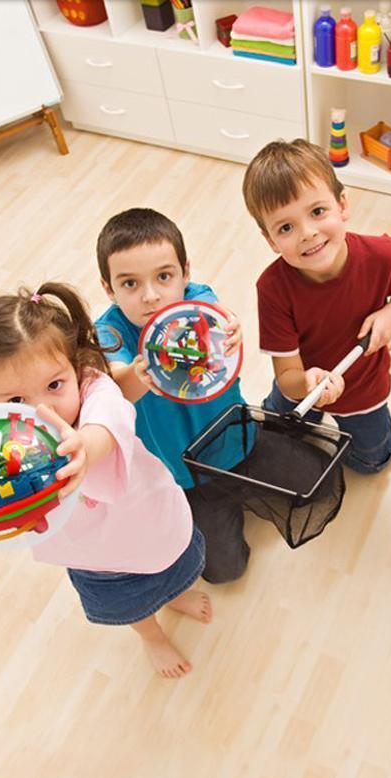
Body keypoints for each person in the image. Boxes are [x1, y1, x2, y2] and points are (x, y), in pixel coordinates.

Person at [0, 283, 211, 678]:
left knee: (174, 569)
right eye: (15, 401)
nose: (41, 409)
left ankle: (175, 596)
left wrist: (84, 448)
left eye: (54, 385)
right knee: (131, 603)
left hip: (151, 522)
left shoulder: (94, 387)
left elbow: (108, 420)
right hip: (96, 559)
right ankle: (151, 635)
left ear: (75, 367)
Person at [242, 139, 391, 473]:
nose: (307, 233)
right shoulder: (272, 288)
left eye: (317, 212)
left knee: (371, 464)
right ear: (270, 241)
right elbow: (288, 377)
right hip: (304, 386)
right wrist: (308, 383)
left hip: (364, 389)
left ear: (342, 205)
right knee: (274, 434)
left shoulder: (384, 255)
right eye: (285, 227)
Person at [94, 209, 252, 584]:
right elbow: (117, 384)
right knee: (226, 571)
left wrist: (231, 329)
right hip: (176, 469)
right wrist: (139, 373)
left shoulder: (198, 298)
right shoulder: (109, 332)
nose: (151, 297)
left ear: (185, 272)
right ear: (108, 289)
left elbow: (219, 316)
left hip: (230, 440)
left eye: (164, 277)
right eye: (130, 284)